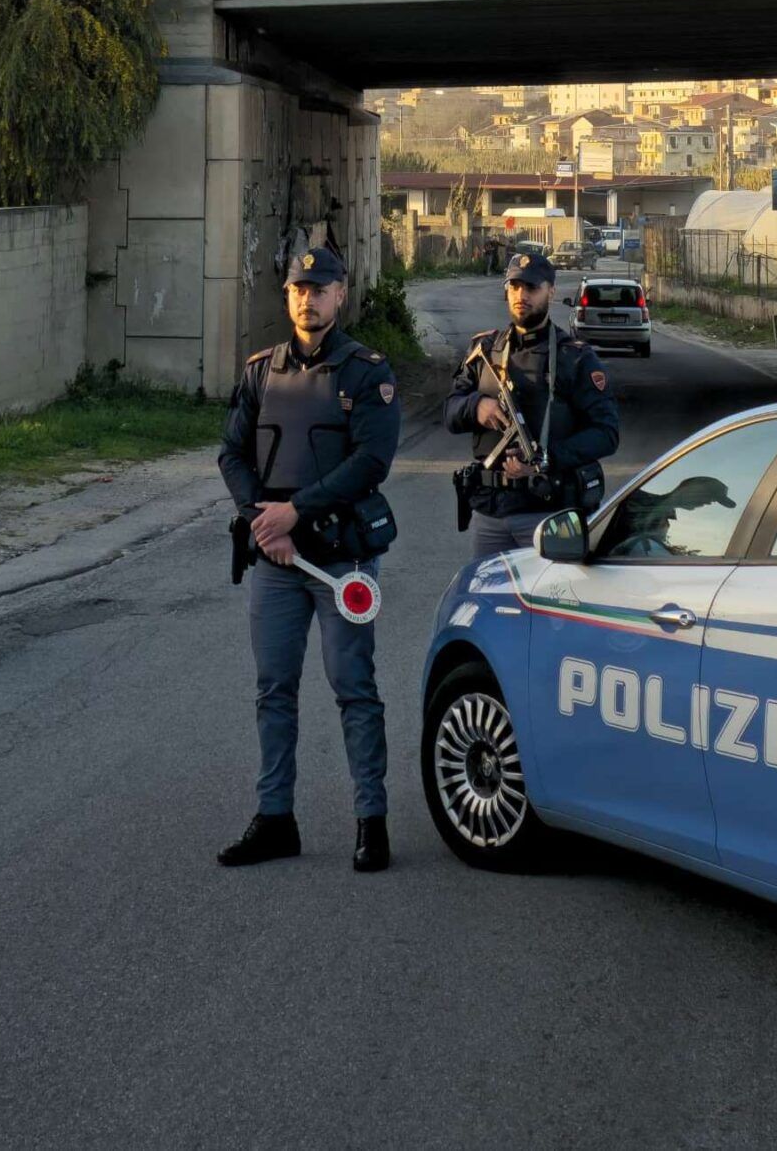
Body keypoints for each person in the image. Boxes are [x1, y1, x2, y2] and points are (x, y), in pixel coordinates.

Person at [215, 241, 403, 874]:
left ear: (340, 295)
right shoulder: (260, 371)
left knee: (354, 688)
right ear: (287, 293)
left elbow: (371, 462)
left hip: (339, 561)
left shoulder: (366, 372)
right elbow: (232, 454)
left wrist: (294, 513)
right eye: (299, 288)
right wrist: (262, 520)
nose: (308, 298)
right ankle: (275, 819)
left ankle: (371, 821)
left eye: (320, 289)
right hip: (276, 561)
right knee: (274, 690)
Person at [445, 247, 620, 558]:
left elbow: (606, 433)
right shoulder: (485, 350)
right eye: (514, 286)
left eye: (531, 287)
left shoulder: (575, 358)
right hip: (491, 513)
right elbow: (450, 412)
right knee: (488, 590)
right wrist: (477, 406)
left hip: (548, 514)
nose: (521, 295)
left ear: (551, 291)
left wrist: (546, 459)